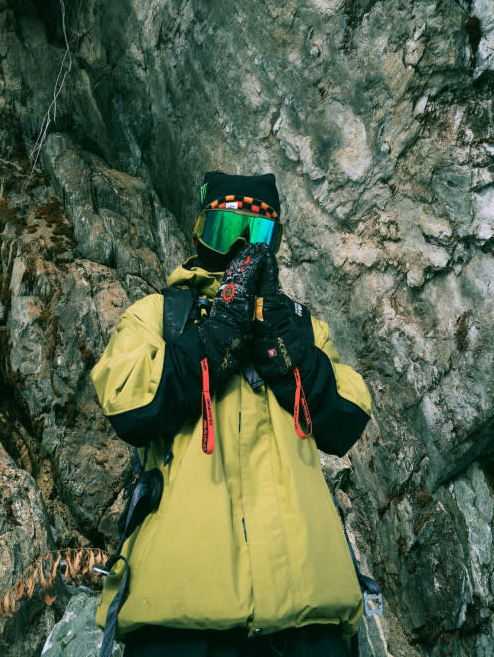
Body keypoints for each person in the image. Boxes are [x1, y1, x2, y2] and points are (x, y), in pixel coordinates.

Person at [91, 171, 372, 656]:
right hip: (179, 625)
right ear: (200, 232)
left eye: (259, 234)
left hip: (309, 623)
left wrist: (291, 355)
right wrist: (215, 334)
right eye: (226, 230)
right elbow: (130, 404)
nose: (242, 248)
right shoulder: (159, 315)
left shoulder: (303, 328)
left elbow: (346, 419)